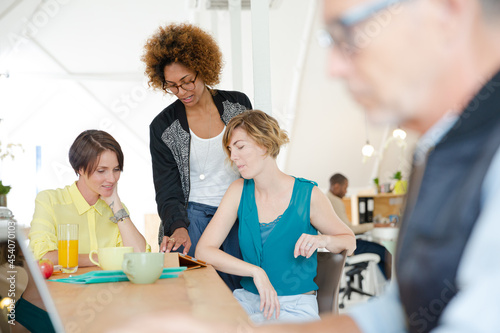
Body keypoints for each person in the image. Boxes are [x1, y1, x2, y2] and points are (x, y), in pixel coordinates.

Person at [112, 0, 500, 331]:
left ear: (447, 11)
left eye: (349, 35)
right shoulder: (436, 150)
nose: (333, 67)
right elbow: (397, 312)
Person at [194, 110, 355, 324]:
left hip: (295, 310)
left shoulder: (308, 195)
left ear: (266, 145)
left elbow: (349, 241)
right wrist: (255, 272)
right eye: (230, 150)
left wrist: (322, 240)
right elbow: (204, 251)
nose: (233, 157)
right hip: (247, 303)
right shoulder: (238, 191)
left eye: (240, 147)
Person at [142, 23, 252, 291]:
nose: (182, 92)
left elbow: (258, 157)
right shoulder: (163, 127)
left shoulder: (238, 106)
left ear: (203, 69)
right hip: (192, 217)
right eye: (172, 86)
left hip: (239, 211)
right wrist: (177, 226)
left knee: (241, 291)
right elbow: (167, 188)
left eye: (187, 81)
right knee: (199, 293)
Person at [23, 130, 148, 332]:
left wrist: (116, 205)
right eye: (102, 171)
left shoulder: (116, 208)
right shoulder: (50, 200)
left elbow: (140, 255)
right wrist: (101, 258)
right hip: (47, 309)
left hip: (98, 308)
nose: (112, 178)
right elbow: (45, 257)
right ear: (80, 168)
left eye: (116, 169)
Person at [327, 173, 391, 279]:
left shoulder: (326, 199)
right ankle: (393, 287)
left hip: (337, 248)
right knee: (385, 252)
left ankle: (389, 285)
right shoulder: (335, 201)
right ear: (337, 186)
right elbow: (350, 229)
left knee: (380, 252)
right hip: (347, 247)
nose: (346, 192)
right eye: (345, 188)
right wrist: (374, 225)